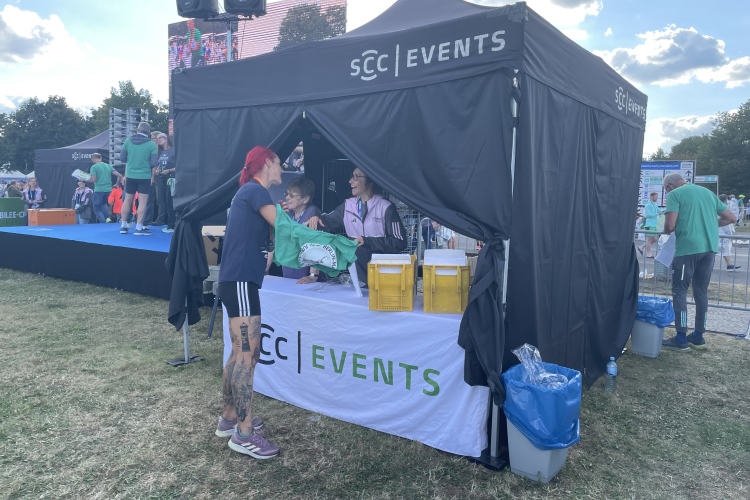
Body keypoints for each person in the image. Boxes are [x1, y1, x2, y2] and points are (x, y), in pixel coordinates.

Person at [215, 146, 282, 460]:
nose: (282, 168)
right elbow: (284, 226)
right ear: (267, 163)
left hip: (237, 280)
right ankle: (244, 434)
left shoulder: (249, 193)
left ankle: (230, 418)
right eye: (279, 163)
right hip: (241, 281)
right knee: (247, 355)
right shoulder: (256, 191)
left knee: (240, 353)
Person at [662, 173, 736, 351]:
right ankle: (698, 335)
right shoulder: (707, 193)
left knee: (679, 291)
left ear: (669, 187)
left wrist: (665, 231)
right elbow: (731, 218)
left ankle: (681, 338)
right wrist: (709, 224)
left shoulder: (675, 194)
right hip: (709, 248)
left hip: (687, 249)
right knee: (701, 292)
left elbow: (670, 226)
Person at [306, 167, 406, 285]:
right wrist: (315, 216)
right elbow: (325, 222)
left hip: (384, 276)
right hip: (358, 278)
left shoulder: (386, 207)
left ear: (370, 180)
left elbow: (400, 242)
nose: (350, 181)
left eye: (356, 177)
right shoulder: (348, 206)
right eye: (352, 176)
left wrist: (367, 241)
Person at [280, 177, 323, 284]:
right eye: (287, 194)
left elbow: (316, 246)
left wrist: (313, 275)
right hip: (288, 273)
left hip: (307, 278)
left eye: (292, 195)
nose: (287, 198)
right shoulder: (288, 213)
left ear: (305, 199)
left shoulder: (312, 215)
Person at [120, 122, 158, 235]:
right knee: (142, 201)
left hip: (130, 175)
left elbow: (122, 158)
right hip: (144, 176)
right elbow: (154, 163)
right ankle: (138, 228)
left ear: (138, 130)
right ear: (149, 132)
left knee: (127, 200)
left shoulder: (127, 141)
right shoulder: (152, 145)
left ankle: (123, 226)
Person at [86, 153, 122, 223]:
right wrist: (116, 184)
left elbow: (93, 180)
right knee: (104, 204)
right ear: (101, 158)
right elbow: (120, 175)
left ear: (93, 159)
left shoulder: (94, 167)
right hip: (108, 190)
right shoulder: (108, 166)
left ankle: (103, 222)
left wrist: (83, 180)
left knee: (96, 207)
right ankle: (108, 219)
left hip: (99, 190)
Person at [154, 133, 176, 231]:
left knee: (169, 201)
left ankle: (171, 224)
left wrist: (169, 170)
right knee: (160, 199)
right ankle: (162, 220)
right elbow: (160, 164)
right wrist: (158, 170)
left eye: (160, 137)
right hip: (161, 178)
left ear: (166, 138)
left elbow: (180, 166)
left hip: (170, 178)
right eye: (157, 138)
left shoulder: (173, 151)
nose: (158, 140)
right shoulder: (162, 152)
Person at [717, 195, 741, 272]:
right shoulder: (722, 208)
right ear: (725, 200)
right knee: (724, 248)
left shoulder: (717, 207)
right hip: (722, 231)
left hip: (721, 231)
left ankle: (729, 265)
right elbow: (730, 219)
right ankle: (729, 265)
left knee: (722, 248)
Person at [637, 192, 664, 258]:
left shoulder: (654, 205)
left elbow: (660, 211)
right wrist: (657, 214)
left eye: (657, 197)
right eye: (655, 197)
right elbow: (648, 215)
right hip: (649, 224)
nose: (656, 198)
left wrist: (664, 211)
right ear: (651, 197)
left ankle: (641, 247)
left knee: (655, 239)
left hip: (654, 224)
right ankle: (648, 254)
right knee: (649, 239)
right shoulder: (648, 205)